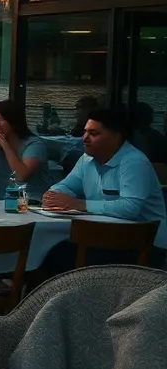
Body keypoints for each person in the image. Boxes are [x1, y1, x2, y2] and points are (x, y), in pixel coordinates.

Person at [42, 107, 167, 267]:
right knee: (49, 254)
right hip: (106, 237)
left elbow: (130, 207)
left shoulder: (133, 162)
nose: (84, 138)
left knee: (61, 259)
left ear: (116, 137)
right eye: (85, 132)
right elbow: (67, 185)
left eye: (94, 134)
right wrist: (53, 195)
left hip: (145, 244)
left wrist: (79, 204)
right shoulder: (86, 159)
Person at [0, 100, 53, 202]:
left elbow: (20, 176)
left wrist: (4, 145)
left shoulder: (34, 145)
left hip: (30, 204)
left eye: (0, 120)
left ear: (13, 122)